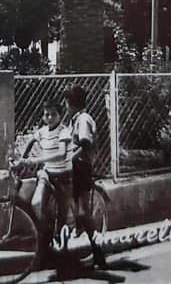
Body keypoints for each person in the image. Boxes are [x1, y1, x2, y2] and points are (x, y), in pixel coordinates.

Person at [15, 101, 71, 251]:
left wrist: (35, 160)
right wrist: (22, 159)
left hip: (64, 176)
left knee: (62, 212)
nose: (50, 117)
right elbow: (31, 140)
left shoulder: (63, 131)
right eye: (47, 114)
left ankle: (60, 235)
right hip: (48, 174)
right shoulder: (43, 131)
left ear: (60, 116)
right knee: (36, 203)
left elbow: (61, 154)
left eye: (54, 114)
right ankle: (46, 234)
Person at [64, 85, 106, 268]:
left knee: (82, 212)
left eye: (66, 103)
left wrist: (69, 158)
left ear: (70, 103)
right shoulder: (75, 119)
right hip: (74, 167)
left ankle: (98, 252)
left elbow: (85, 144)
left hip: (81, 168)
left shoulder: (83, 120)